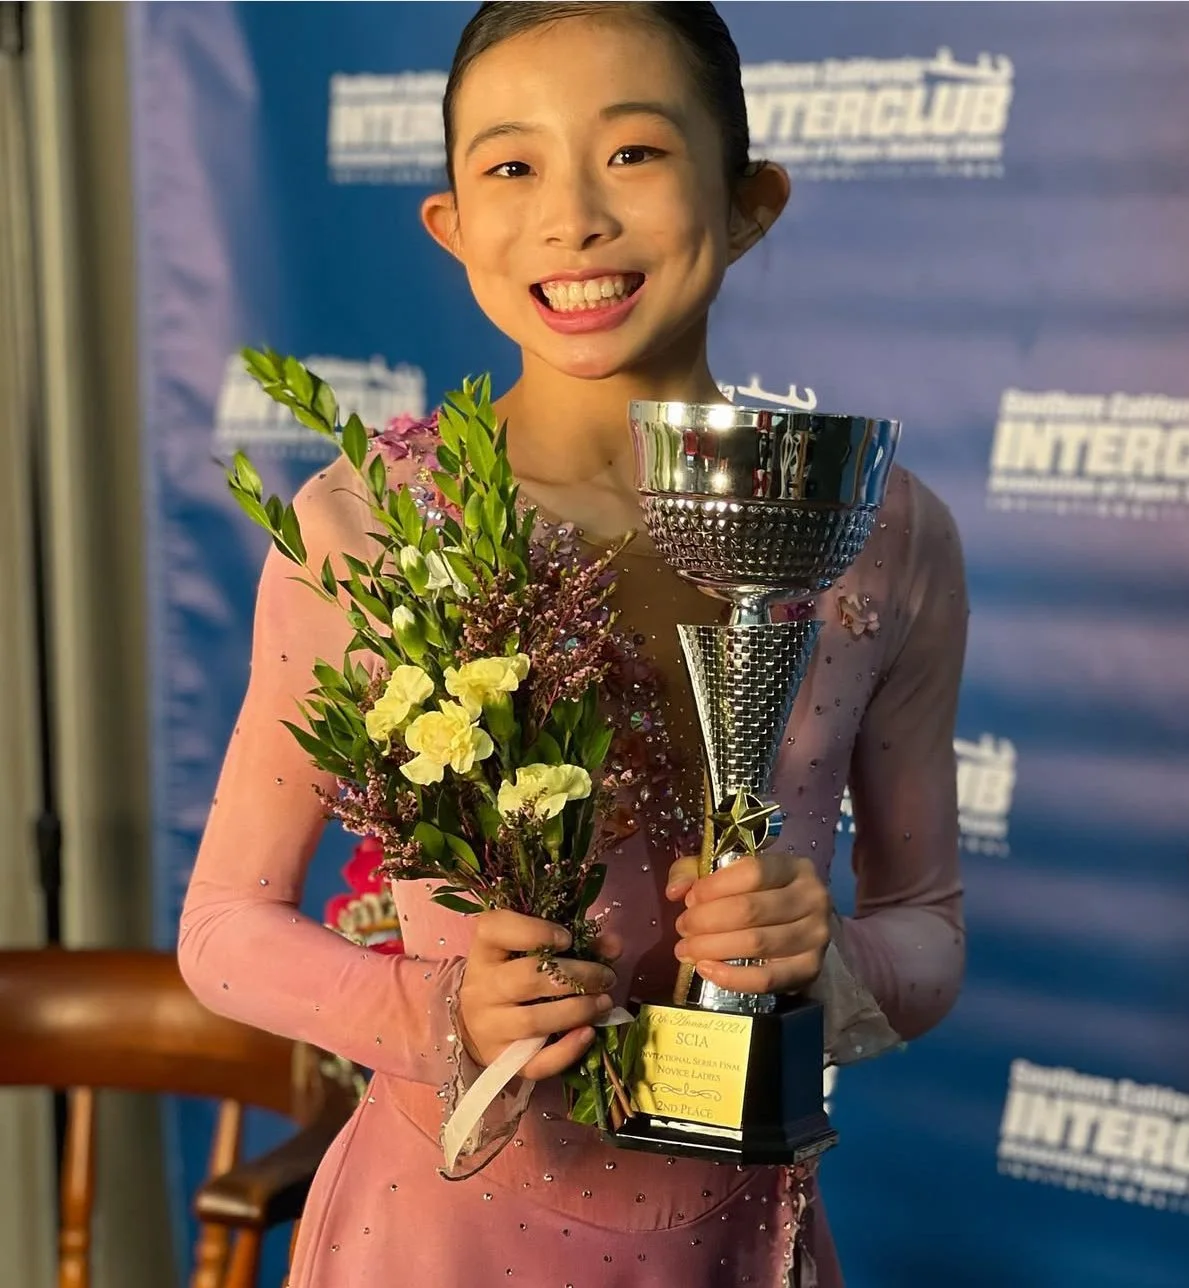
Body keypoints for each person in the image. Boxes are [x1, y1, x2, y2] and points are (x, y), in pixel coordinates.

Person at [178, 4, 969, 1285]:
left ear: (750, 199)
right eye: (513, 165)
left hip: (734, 1243)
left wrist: (826, 960)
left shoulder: (877, 531)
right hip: (434, 1239)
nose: (573, 218)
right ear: (451, 225)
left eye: (635, 153)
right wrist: (440, 1011)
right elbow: (222, 928)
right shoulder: (366, 530)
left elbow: (928, 929)